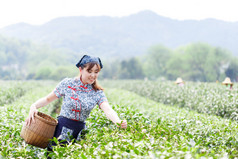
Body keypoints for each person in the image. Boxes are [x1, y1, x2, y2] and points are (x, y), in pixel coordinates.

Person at [25, 55, 127, 151]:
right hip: (61, 131)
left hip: (79, 133)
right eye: (89, 71)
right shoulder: (68, 84)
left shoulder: (97, 92)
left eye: (96, 72)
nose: (93, 75)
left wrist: (118, 121)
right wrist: (34, 106)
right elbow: (48, 99)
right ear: (81, 70)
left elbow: (107, 109)